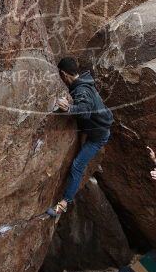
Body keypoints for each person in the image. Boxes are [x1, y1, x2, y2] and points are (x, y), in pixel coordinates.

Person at [47, 57, 113, 217]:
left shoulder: (82, 90)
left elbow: (85, 111)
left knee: (77, 166)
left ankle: (64, 204)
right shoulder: (84, 81)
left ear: (64, 74)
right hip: (97, 127)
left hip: (97, 136)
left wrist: (68, 108)